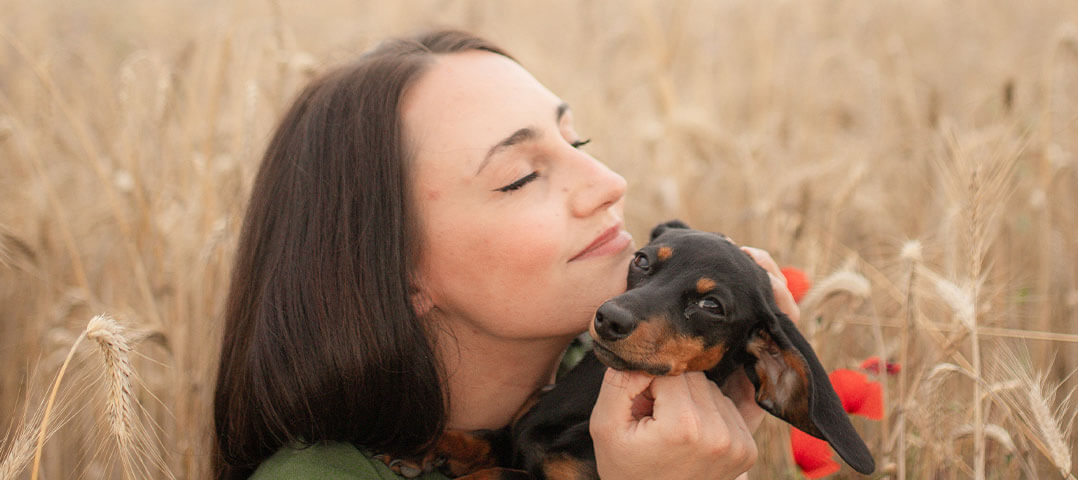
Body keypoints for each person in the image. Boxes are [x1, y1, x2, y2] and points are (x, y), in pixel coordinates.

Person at [211, 30, 803, 480]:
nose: (609, 182)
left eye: (578, 141)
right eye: (520, 177)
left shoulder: (626, 397)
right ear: (393, 273)